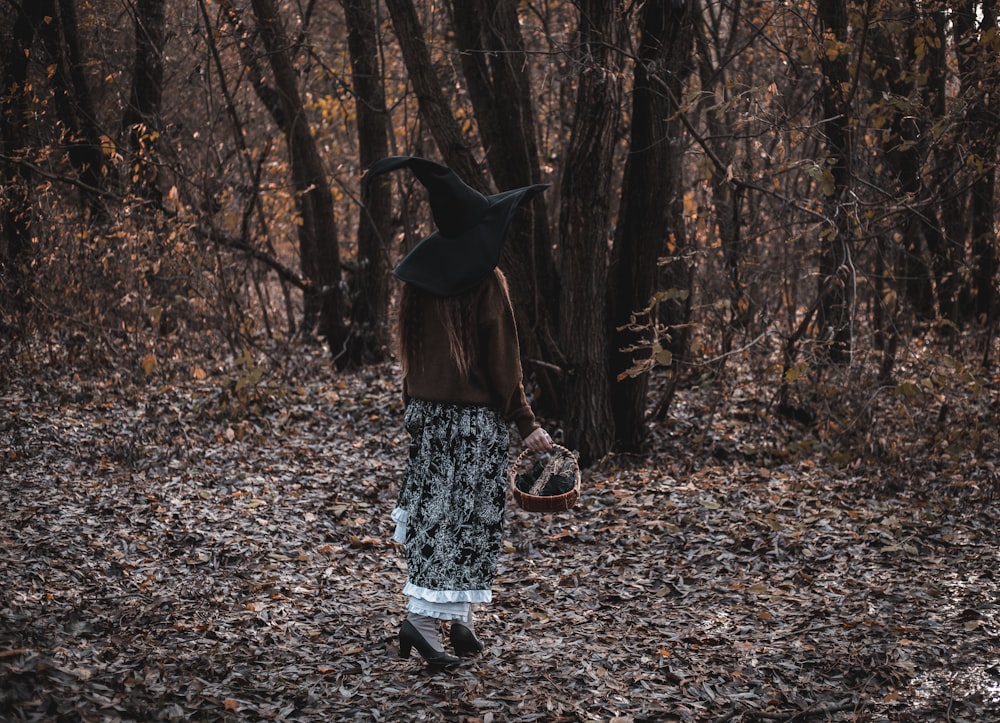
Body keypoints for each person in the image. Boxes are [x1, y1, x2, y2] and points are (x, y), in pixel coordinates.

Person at [362, 156, 554, 668]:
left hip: (429, 419)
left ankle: (460, 620)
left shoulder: (417, 287)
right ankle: (422, 623)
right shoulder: (488, 284)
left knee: (441, 517)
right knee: (458, 522)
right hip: (471, 426)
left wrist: (417, 414)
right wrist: (526, 423)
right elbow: (503, 364)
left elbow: (413, 365)